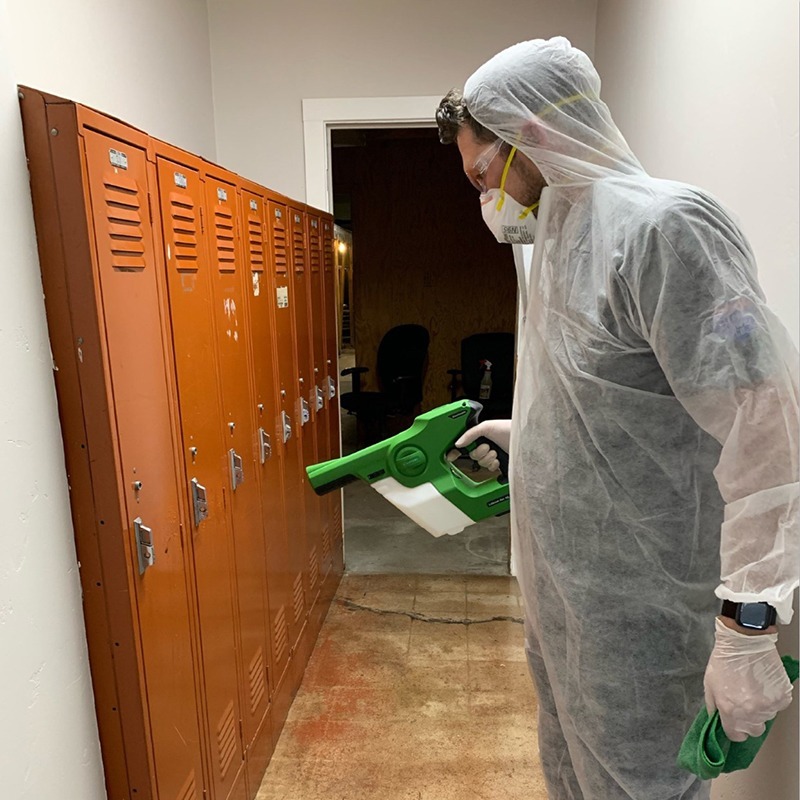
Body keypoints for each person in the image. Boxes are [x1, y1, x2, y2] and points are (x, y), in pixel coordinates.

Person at [437, 37, 798, 800]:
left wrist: (748, 624)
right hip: (570, 608)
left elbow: (765, 428)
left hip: (644, 610)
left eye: (482, 173)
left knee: (641, 786)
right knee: (572, 775)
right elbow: (607, 388)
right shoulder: (563, 231)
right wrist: (528, 438)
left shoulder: (665, 229)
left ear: (531, 134)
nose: (484, 198)